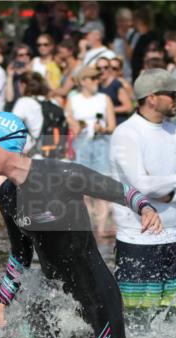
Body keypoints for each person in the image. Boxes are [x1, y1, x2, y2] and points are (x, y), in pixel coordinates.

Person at [0, 112, 163, 338]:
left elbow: (122, 191)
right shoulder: (7, 196)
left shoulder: (62, 175)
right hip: (56, 301)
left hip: (96, 297)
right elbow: (19, 257)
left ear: (8, 143)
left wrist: (146, 208)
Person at [110, 69, 176, 309]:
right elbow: (142, 184)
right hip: (137, 239)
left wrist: (170, 193)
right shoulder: (126, 133)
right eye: (172, 94)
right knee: (137, 319)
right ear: (152, 98)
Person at [67, 65, 116, 232]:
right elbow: (70, 123)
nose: (97, 81)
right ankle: (89, 229)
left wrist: (103, 129)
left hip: (101, 143)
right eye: (93, 78)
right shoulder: (73, 100)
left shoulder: (104, 98)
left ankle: (101, 230)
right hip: (81, 144)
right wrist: (76, 127)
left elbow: (112, 126)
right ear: (83, 81)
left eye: (98, 78)